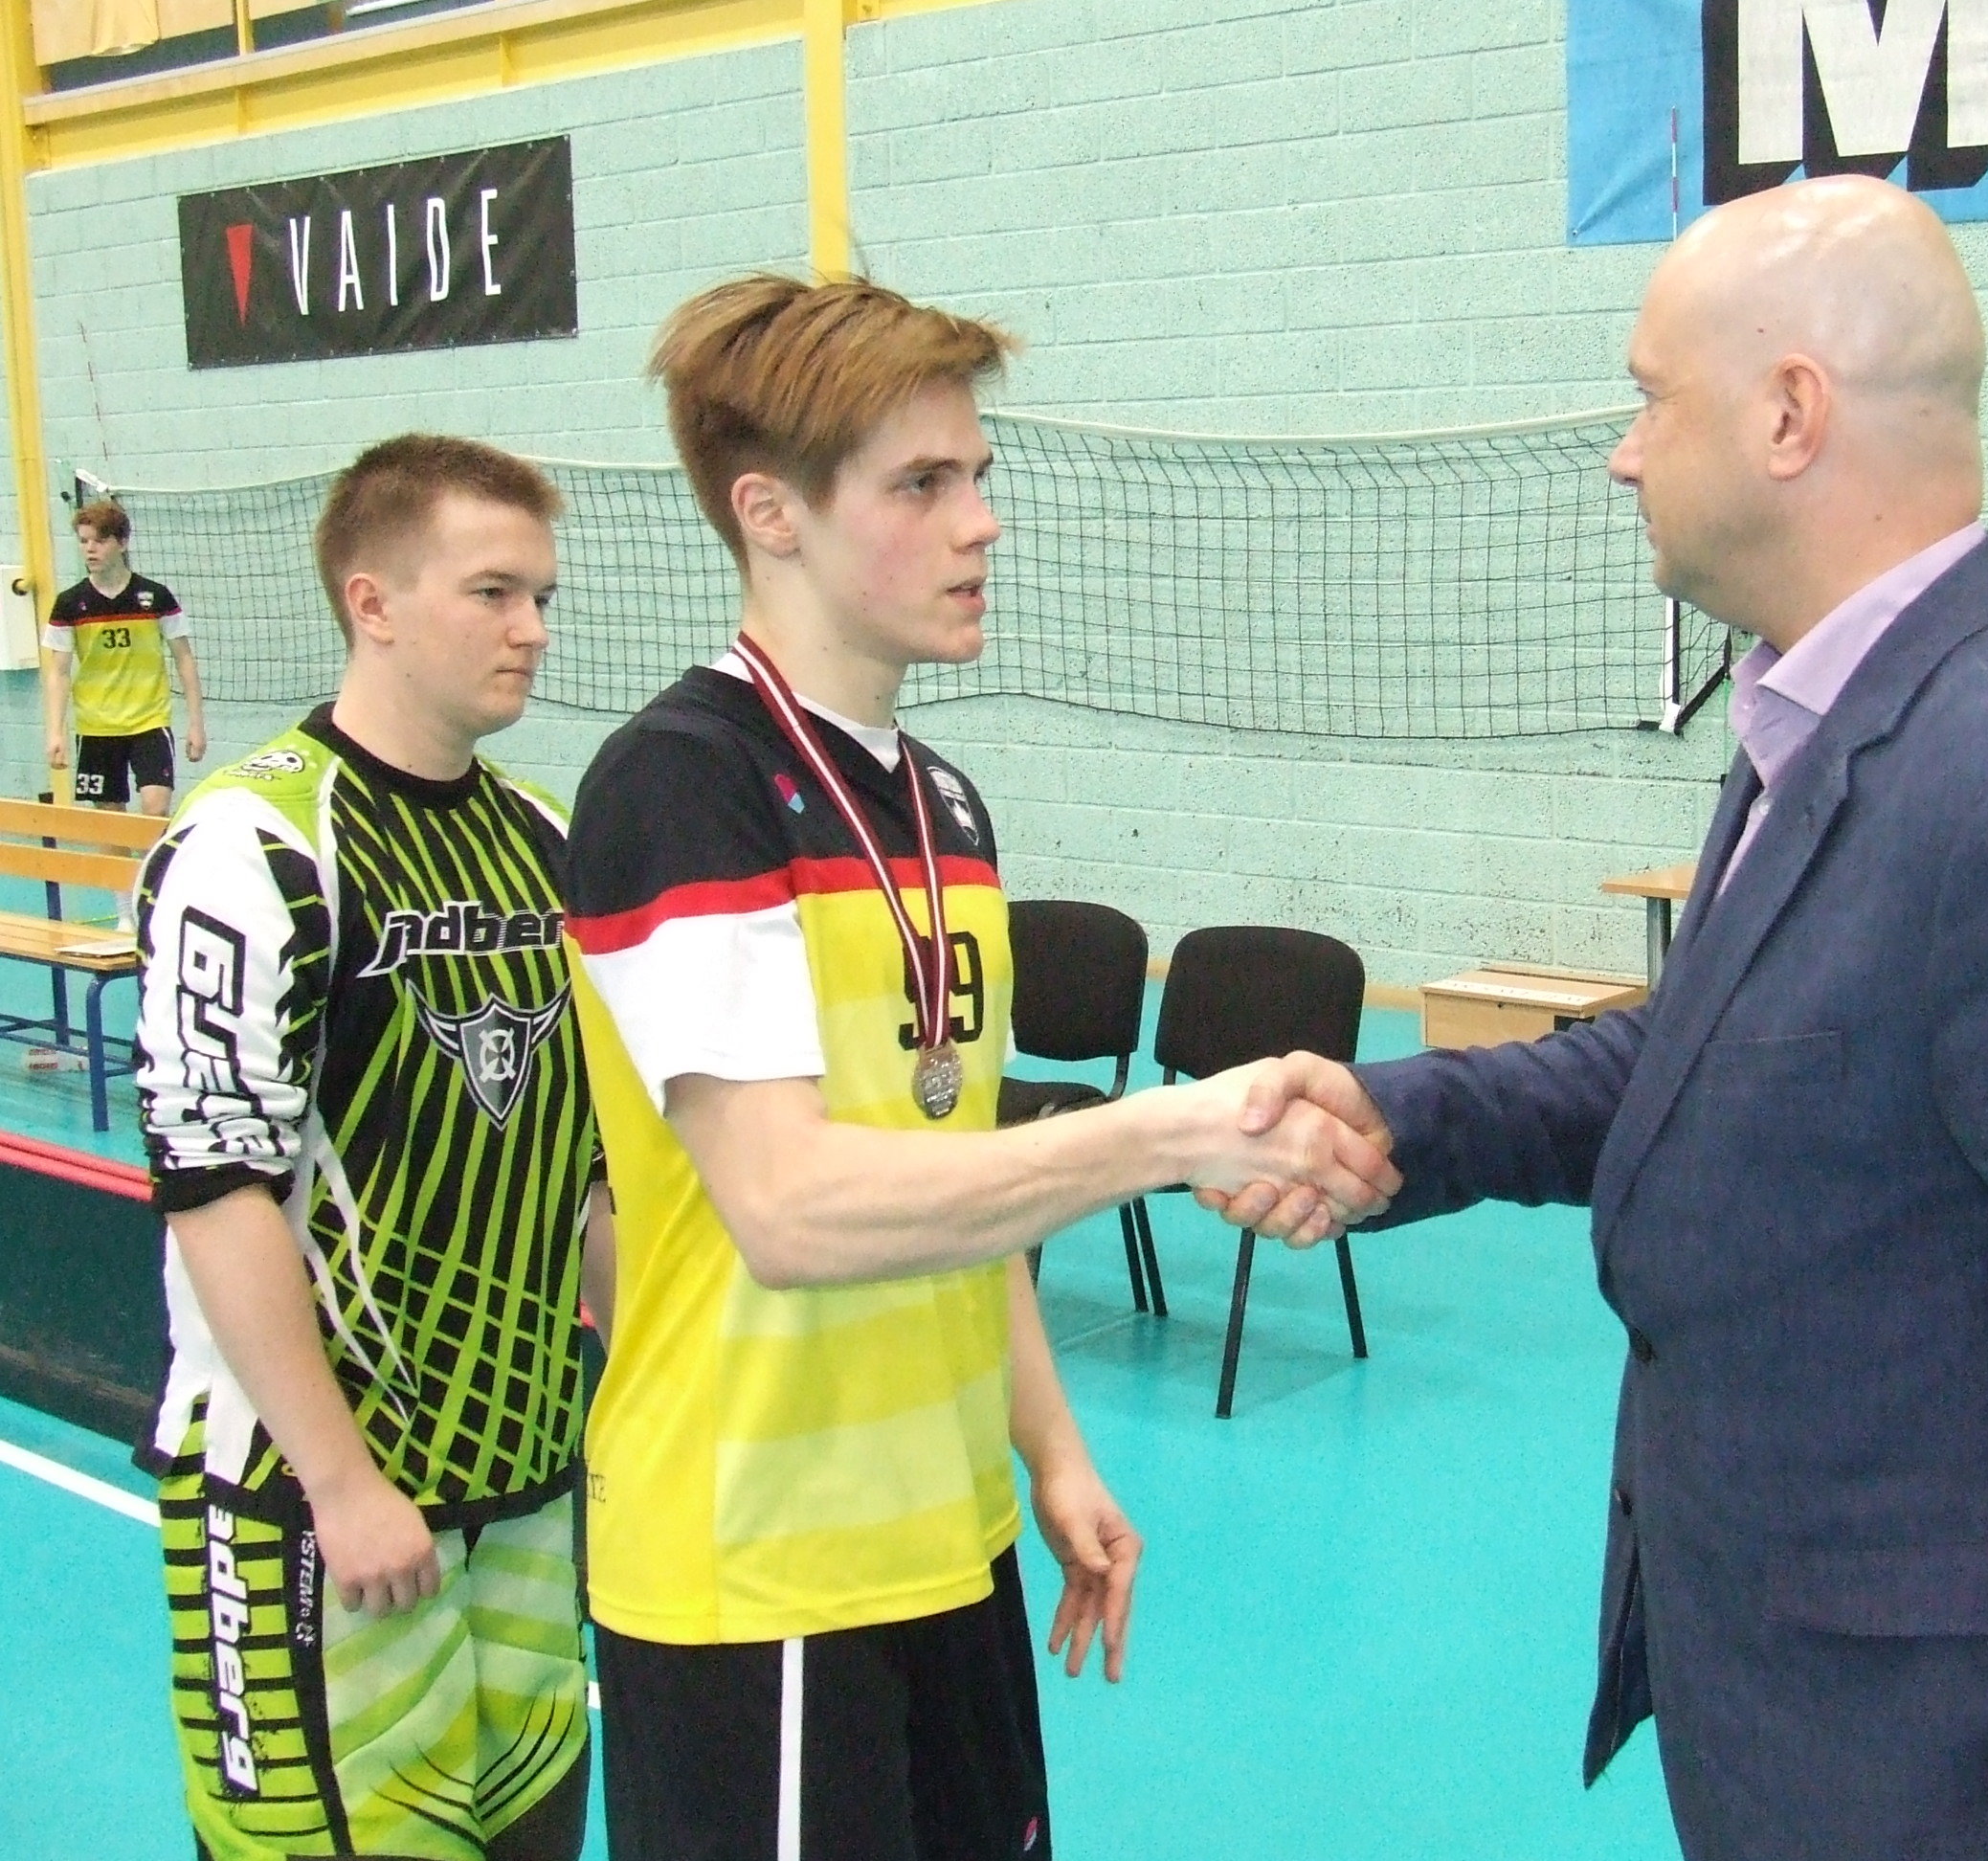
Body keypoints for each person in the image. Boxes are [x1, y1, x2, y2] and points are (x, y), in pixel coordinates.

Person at [1203, 175, 1988, 1861]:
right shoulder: (1824, 716)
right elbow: (1726, 1039)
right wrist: (1414, 1115)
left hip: (1957, 1773)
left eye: (1649, 399)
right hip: (1798, 1724)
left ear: (1788, 414)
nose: (1625, 454)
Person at [562, 274, 1396, 1861]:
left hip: (949, 1545)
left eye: (978, 475)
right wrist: (1166, 1131)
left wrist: (1051, 1449)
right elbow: (794, 1208)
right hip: (760, 1578)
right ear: (769, 513)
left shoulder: (943, 803)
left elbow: (953, 1174)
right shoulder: (680, 786)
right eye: (921, 484)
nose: (979, 522)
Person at [130, 436, 613, 1861]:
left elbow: (592, 1174)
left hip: (527, 1491)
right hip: (312, 1504)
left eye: (540, 597)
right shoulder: (255, 845)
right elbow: (215, 1190)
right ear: (373, 602)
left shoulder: (544, 839)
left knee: (532, 1837)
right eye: (493, 592)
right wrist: (342, 1484)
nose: (531, 629)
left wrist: (641, 1411)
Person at [44, 497, 206, 817]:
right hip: (96, 728)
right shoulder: (69, 604)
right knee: (110, 821)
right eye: (84, 541)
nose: (90, 549)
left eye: (100, 541)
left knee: (155, 809)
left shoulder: (156, 597)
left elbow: (184, 659)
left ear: (122, 543)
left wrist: (196, 724)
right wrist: (55, 731)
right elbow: (59, 672)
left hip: (150, 723)